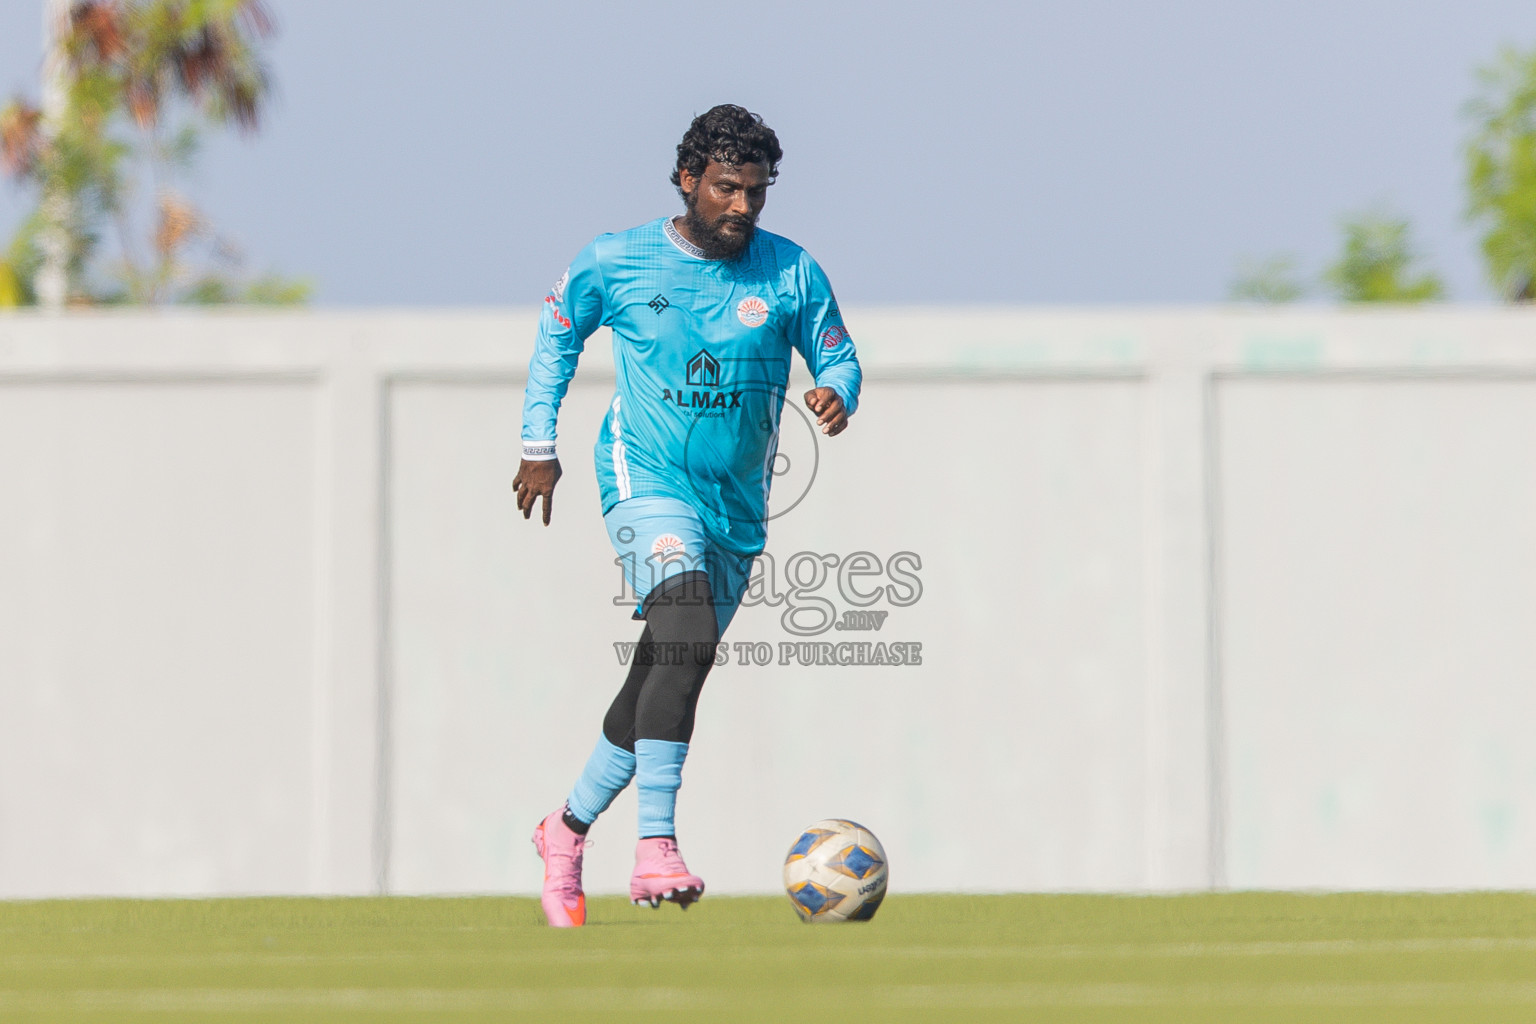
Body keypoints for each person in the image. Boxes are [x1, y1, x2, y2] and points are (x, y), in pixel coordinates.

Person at [514, 104, 862, 927]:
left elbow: (838, 352)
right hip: (645, 473)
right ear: (688, 180)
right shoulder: (619, 260)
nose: (742, 207)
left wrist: (835, 392)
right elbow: (557, 333)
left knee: (665, 672)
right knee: (685, 628)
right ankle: (655, 850)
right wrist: (538, 443)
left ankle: (562, 833)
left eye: (756, 193)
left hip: (735, 505)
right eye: (727, 189)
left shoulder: (790, 272)